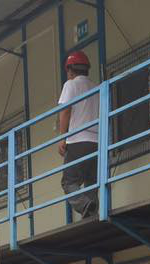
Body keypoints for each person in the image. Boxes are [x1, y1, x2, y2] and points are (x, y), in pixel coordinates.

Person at [57, 50, 99, 218]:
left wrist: (62, 137)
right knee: (91, 181)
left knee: (68, 182)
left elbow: (65, 110)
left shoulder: (70, 85)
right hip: (97, 141)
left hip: (78, 140)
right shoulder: (97, 87)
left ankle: (85, 206)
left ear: (70, 70)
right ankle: (92, 214)